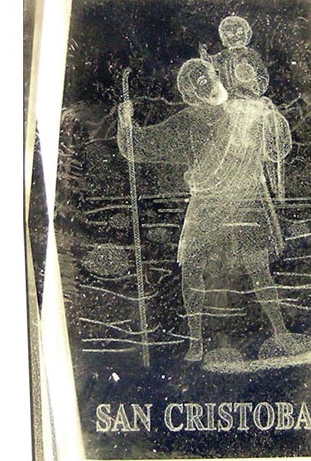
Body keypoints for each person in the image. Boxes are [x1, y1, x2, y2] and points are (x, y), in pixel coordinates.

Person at [117, 55, 293, 361]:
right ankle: (195, 341)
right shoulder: (187, 122)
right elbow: (142, 145)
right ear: (191, 92)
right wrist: (126, 123)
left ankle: (281, 332)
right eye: (203, 81)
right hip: (208, 202)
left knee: (258, 269)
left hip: (247, 199)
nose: (213, 83)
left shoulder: (244, 111)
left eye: (213, 75)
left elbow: (276, 148)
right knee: (192, 268)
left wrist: (272, 118)